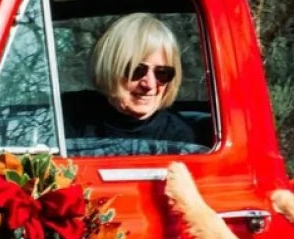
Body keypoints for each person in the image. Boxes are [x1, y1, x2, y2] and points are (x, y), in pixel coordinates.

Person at [62, 12, 197, 152]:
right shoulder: (67, 115)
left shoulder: (178, 137)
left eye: (162, 73)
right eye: (136, 70)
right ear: (110, 68)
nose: (149, 85)